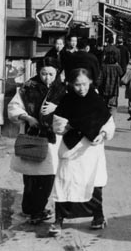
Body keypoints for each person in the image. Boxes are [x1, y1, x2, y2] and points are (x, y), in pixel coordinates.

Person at [49, 68, 115, 236]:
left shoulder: (96, 100)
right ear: (71, 84)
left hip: (91, 150)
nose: (81, 88)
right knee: (65, 183)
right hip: (72, 149)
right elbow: (58, 125)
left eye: (84, 84)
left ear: (90, 82)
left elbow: (108, 122)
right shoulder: (66, 101)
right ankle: (58, 220)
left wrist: (102, 134)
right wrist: (71, 126)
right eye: (77, 85)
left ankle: (98, 216)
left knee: (94, 184)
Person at [8, 57, 67, 225]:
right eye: (43, 73)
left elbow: (72, 110)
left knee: (47, 176)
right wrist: (26, 117)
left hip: (52, 141)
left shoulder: (62, 89)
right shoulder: (28, 87)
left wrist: (57, 108)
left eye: (50, 74)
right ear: (38, 72)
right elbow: (14, 106)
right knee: (31, 177)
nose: (47, 78)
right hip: (32, 136)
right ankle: (32, 210)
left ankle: (36, 209)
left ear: (57, 73)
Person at [97, 50, 124, 117]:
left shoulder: (103, 67)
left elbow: (99, 79)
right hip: (114, 91)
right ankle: (111, 123)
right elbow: (122, 75)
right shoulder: (117, 67)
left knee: (103, 107)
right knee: (112, 107)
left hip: (103, 90)